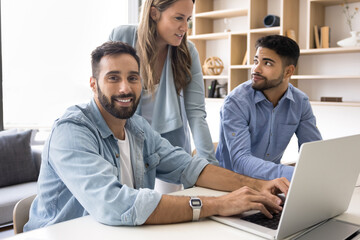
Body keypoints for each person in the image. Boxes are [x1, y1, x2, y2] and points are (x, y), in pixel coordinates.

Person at [24, 41, 289, 231]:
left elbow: (189, 167)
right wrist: (218, 205)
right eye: (113, 78)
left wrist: (258, 185)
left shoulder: (137, 127)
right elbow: (116, 206)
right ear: (94, 84)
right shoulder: (71, 131)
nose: (125, 88)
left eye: (133, 78)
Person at [108, 0, 216, 193]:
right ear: (154, 13)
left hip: (170, 147)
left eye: (188, 19)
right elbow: (106, 91)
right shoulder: (122, 37)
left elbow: (196, 114)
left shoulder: (188, 52)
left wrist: (210, 167)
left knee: (173, 211)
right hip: (125, 143)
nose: (185, 27)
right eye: (178, 18)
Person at [216, 35, 322, 182]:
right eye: (255, 61)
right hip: (230, 186)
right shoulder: (236, 102)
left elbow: (313, 151)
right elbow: (241, 161)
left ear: (288, 72)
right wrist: (295, 174)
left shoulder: (300, 102)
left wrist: (320, 170)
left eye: (267, 63)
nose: (255, 69)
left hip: (270, 184)